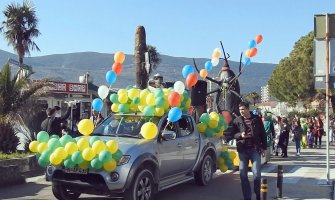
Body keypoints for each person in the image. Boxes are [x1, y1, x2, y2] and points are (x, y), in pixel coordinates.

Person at [222, 101, 267, 200]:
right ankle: (247, 197)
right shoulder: (237, 120)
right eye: (240, 109)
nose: (241, 111)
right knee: (243, 175)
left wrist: (264, 148)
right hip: (242, 150)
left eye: (243, 109)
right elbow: (232, 134)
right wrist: (240, 135)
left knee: (256, 174)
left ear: (247, 108)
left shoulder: (256, 119)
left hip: (255, 149)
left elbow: (263, 133)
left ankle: (258, 194)